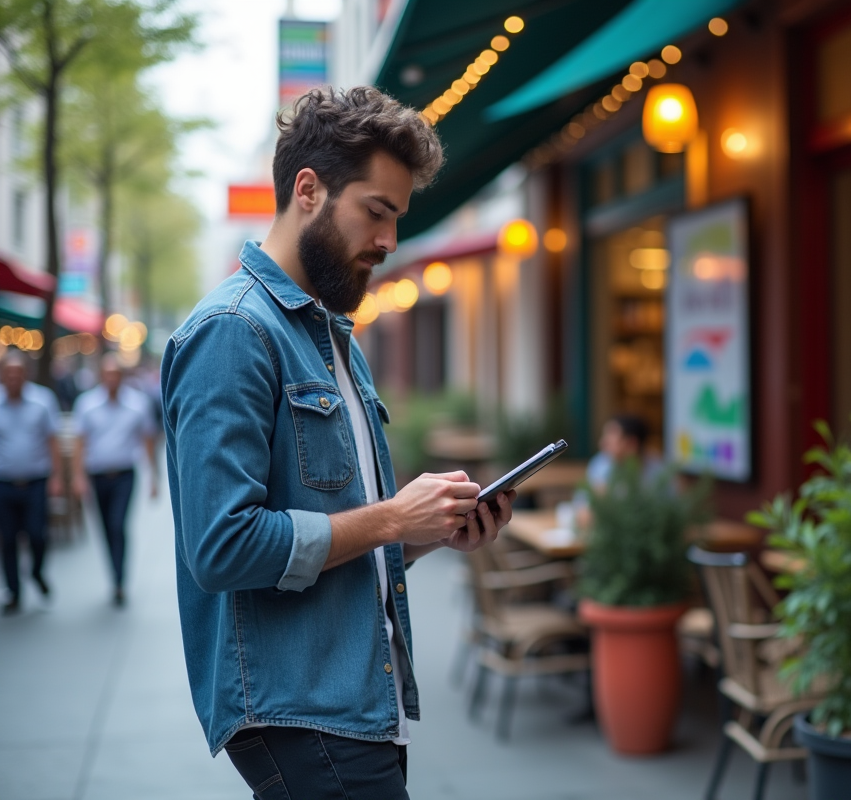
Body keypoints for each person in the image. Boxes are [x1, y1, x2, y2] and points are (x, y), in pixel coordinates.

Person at [160, 86, 514, 799]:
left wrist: (429, 532)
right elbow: (220, 545)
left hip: (350, 703)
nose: (388, 241)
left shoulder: (333, 341)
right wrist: (391, 517)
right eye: (376, 211)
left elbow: (338, 544)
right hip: (301, 710)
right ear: (310, 190)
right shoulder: (234, 331)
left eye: (397, 218)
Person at [72, 353, 158, 607]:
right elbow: (80, 443)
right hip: (97, 475)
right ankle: (114, 573)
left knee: (117, 524)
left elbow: (148, 439)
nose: (111, 379)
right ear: (101, 376)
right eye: (107, 374)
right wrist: (78, 477)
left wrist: (153, 476)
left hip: (124, 475)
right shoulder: (86, 404)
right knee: (105, 528)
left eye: (116, 374)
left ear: (122, 377)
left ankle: (120, 581)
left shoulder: (137, 403)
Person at [0, 350, 62, 615]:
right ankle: (14, 590)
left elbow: (53, 441)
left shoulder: (42, 401)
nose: (13, 378)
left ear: (26, 374)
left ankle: (36, 572)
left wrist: (58, 476)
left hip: (37, 480)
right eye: (8, 373)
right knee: (8, 539)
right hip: (5, 482)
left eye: (18, 373)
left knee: (37, 534)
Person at [586, 413, 665, 492]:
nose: (601, 444)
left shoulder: (657, 471)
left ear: (631, 443)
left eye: (609, 443)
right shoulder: (600, 464)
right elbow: (582, 500)